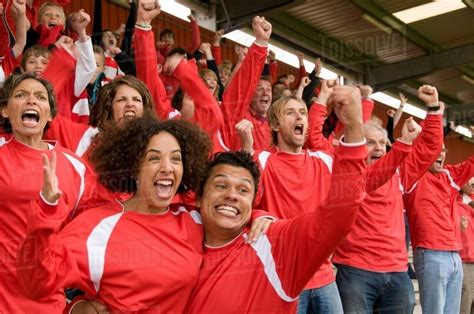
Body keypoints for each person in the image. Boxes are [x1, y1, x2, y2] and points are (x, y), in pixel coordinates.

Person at [185, 84, 367, 312]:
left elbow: (356, 189)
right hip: (282, 273)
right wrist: (261, 215)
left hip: (323, 275)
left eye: (302, 113)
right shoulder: (261, 160)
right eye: (290, 113)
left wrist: (355, 122)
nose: (298, 116)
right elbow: (238, 204)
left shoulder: (324, 159)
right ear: (274, 125)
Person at [17, 117, 211, 312]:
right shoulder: (99, 226)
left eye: (176, 159)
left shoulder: (194, 220)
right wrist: (45, 211)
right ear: (134, 168)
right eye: (154, 158)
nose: (167, 168)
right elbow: (37, 283)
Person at [0, 73, 108, 312]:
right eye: (20, 95)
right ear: (5, 110)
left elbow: (93, 232)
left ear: (49, 114)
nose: (31, 101)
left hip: (46, 299)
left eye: (40, 97)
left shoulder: (76, 167)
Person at [333, 85, 444, 313]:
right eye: (371, 142)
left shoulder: (399, 172)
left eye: (383, 143)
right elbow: (374, 176)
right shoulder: (347, 174)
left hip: (396, 272)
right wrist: (403, 144)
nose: (379, 148)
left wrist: (433, 109)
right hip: (356, 270)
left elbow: (429, 149)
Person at [406, 137, 474, 312]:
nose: (440, 153)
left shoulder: (449, 175)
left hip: (455, 256)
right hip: (431, 254)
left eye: (443, 150)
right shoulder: (413, 176)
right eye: (434, 149)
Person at [459, 177, 474, 313]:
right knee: (466, 302)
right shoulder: (454, 202)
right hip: (466, 260)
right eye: (467, 178)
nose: (471, 183)